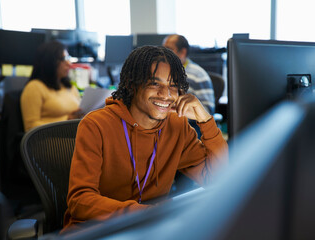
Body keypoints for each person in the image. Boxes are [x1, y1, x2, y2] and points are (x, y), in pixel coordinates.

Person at [62, 46, 228, 231]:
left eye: (172, 85)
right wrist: (142, 213)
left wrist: (205, 121)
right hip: (97, 229)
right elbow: (80, 201)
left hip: (150, 227)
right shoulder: (96, 125)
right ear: (132, 85)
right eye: (154, 84)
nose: (166, 94)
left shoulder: (177, 126)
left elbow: (218, 179)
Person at [20, 40, 82, 132]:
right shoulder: (34, 87)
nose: (69, 63)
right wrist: (65, 121)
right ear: (49, 62)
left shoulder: (69, 87)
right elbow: (30, 127)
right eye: (63, 59)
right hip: (51, 143)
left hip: (73, 136)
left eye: (68, 58)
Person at [163, 34, 215, 138]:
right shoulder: (163, 72)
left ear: (182, 52)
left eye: (169, 50)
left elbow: (207, 112)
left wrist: (183, 110)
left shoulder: (197, 75)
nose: (164, 54)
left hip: (190, 126)